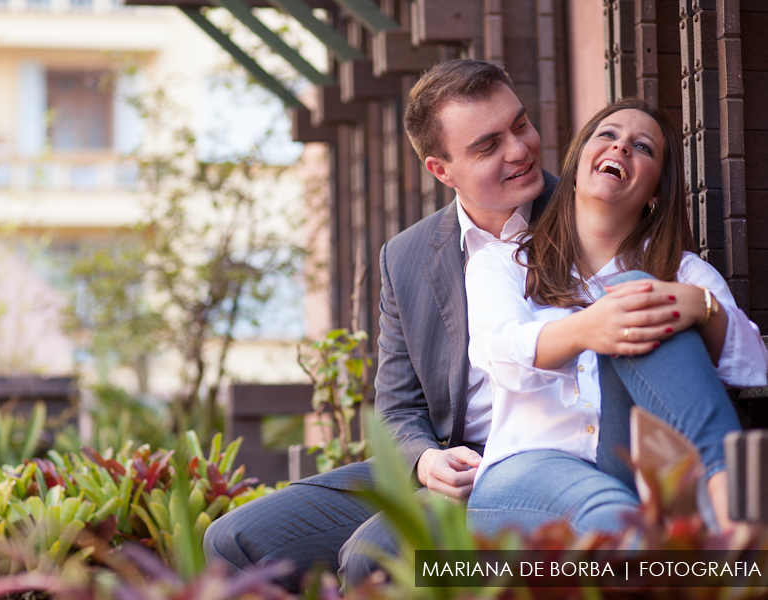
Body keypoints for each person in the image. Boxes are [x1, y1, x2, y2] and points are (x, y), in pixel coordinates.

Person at [205, 59, 670, 591]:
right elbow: (398, 407)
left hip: (544, 460)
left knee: (373, 558)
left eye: (519, 125)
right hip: (452, 460)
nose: (518, 150)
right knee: (233, 543)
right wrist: (426, 460)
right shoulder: (405, 257)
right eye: (487, 145)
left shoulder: (593, 215)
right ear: (440, 170)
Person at [464, 97, 768, 536]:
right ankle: (735, 517)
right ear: (575, 167)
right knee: (614, 520)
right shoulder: (504, 263)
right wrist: (588, 327)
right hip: (528, 470)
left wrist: (702, 309)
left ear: (655, 193)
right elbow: (501, 354)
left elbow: (753, 365)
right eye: (607, 135)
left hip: (634, 463)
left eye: (642, 147)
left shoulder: (684, 273)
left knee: (642, 291)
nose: (621, 147)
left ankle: (730, 503)